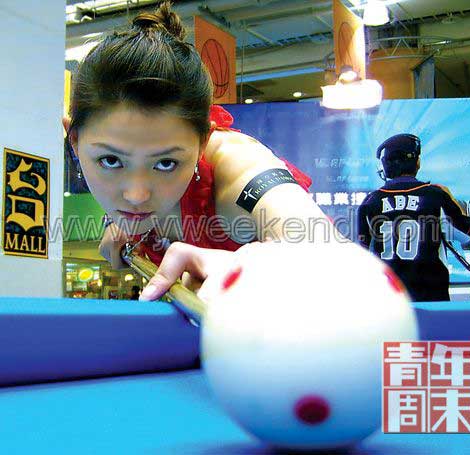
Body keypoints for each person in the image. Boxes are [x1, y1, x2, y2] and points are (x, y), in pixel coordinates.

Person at [63, 2, 337, 302]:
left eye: (166, 163)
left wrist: (245, 271)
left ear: (203, 142)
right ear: (74, 141)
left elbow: (335, 259)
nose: (136, 195)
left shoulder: (238, 165)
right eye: (111, 160)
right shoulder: (134, 192)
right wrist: (117, 226)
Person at [357, 133, 470, 301]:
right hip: (433, 299)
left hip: (390, 302)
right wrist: (451, 199)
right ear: (417, 162)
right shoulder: (435, 195)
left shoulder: (371, 201)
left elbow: (364, 253)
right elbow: (466, 236)